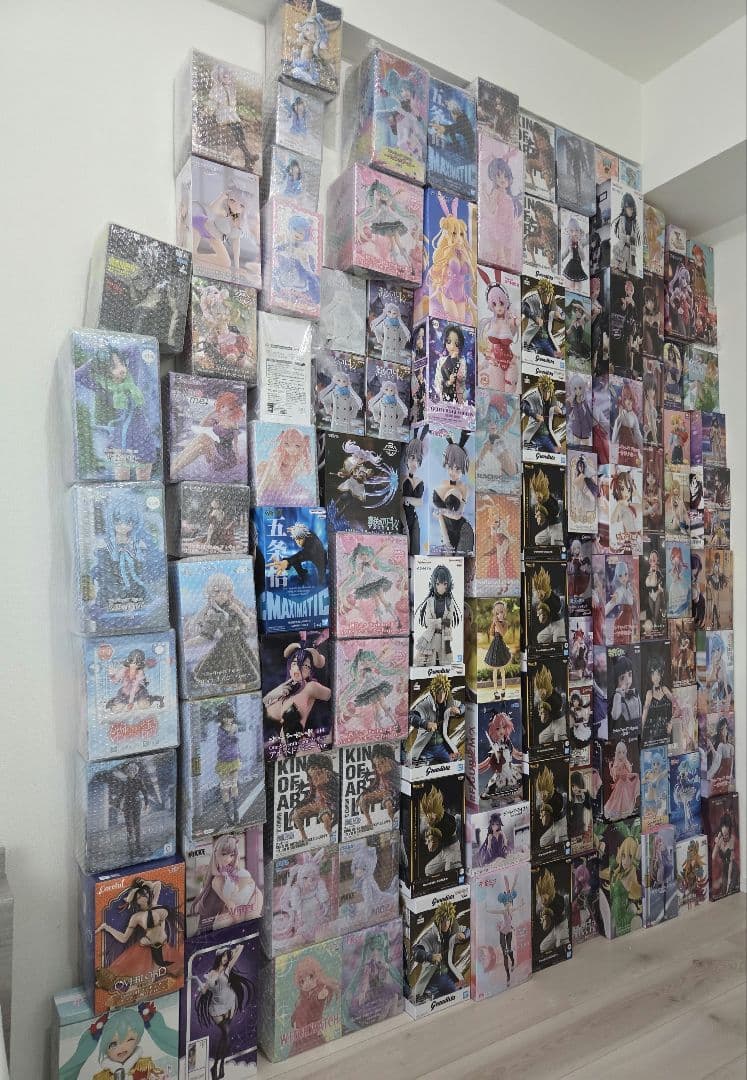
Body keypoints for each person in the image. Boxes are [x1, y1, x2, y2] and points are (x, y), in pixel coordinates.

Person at [195, 944, 253, 1080]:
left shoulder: (227, 969)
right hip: (216, 1008)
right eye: (223, 956)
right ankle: (217, 1065)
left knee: (225, 1036)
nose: (226, 958)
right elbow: (204, 991)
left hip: (229, 1004)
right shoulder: (211, 973)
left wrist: (230, 950)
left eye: (227, 956)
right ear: (219, 957)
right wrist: (197, 981)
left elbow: (241, 947)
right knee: (225, 1034)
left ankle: (219, 1065)